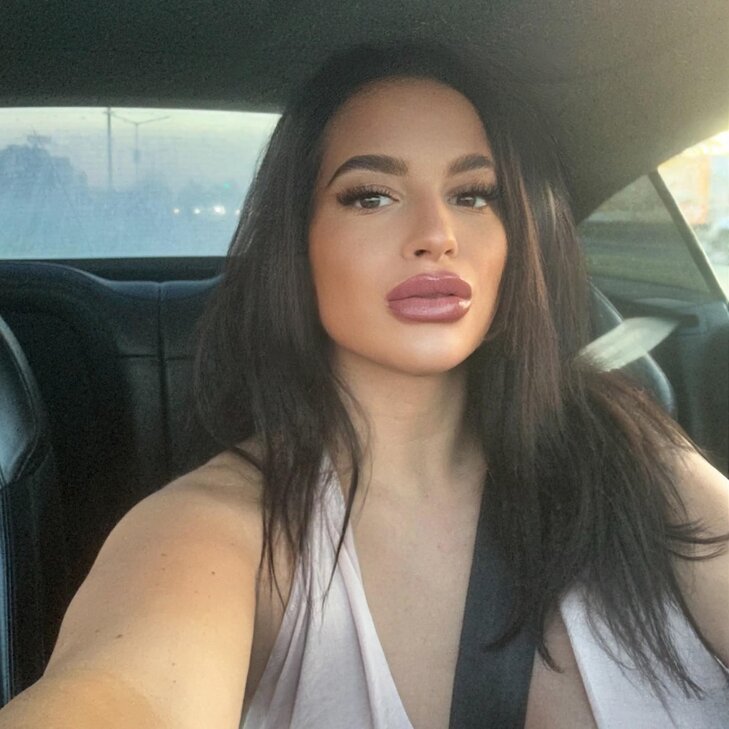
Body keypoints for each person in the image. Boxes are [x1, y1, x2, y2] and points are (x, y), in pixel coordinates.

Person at [0, 43, 727, 729]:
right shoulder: (216, 529)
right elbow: (124, 691)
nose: (437, 233)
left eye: (474, 194)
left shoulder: (630, 451)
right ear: (298, 242)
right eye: (371, 196)